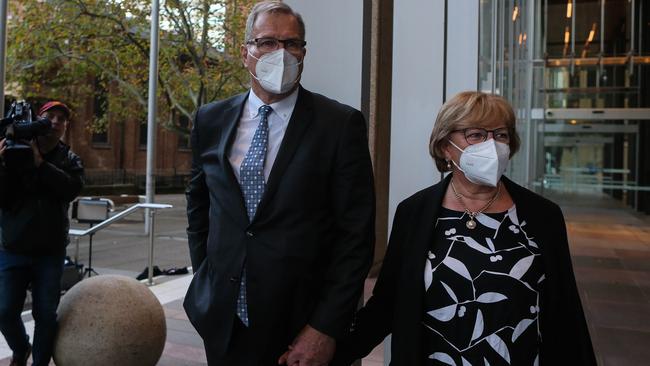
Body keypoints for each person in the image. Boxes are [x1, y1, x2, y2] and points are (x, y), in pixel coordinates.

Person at [332, 91, 596, 365]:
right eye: (477, 135)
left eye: (501, 135)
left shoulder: (543, 215)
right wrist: (330, 350)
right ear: (446, 145)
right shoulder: (414, 212)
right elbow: (388, 302)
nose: (492, 145)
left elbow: (566, 311)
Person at [183, 1, 376, 365]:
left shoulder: (339, 125)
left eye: (292, 44)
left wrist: (325, 327)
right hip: (224, 322)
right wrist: (206, 279)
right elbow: (199, 206)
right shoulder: (210, 120)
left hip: (301, 330)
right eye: (268, 42)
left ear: (304, 52)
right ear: (245, 53)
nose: (281, 53)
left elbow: (356, 235)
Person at [0, 101, 84, 366]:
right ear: (38, 120)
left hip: (49, 252)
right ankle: (21, 348)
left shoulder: (70, 159)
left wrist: (39, 164)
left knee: (45, 314)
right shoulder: (12, 150)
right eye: (51, 116)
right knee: (4, 311)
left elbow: (70, 189)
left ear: (65, 127)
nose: (56, 121)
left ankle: (39, 363)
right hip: (13, 247)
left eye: (62, 118)